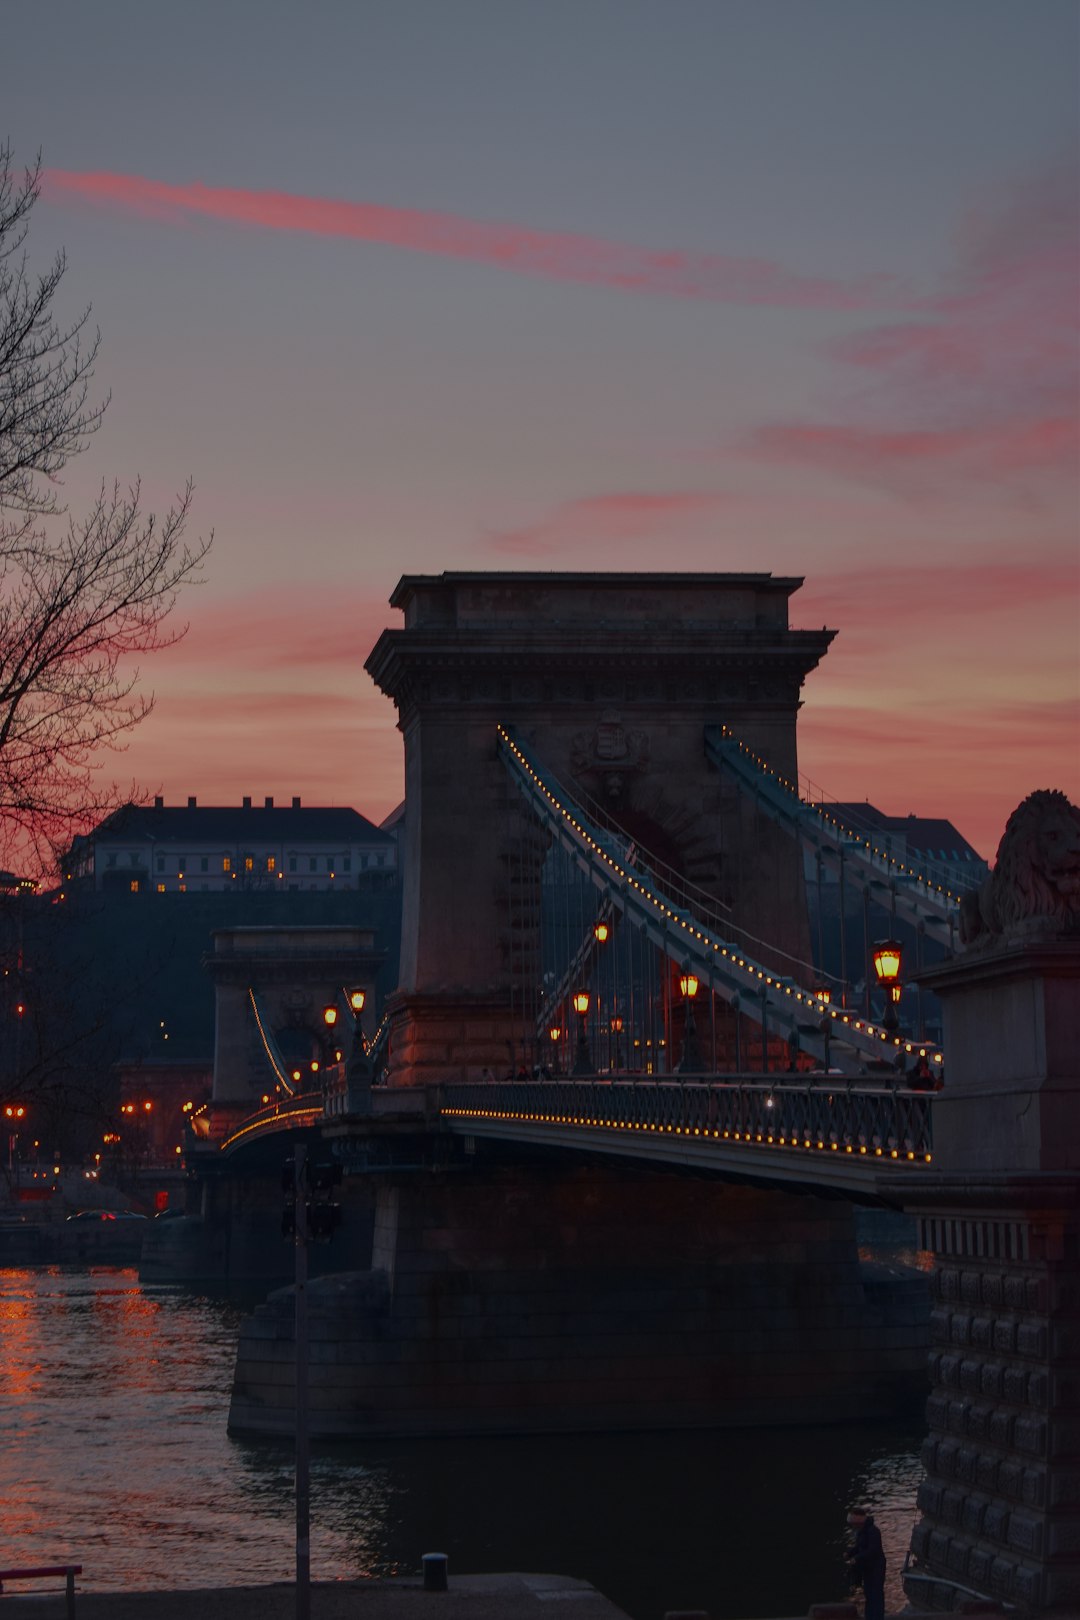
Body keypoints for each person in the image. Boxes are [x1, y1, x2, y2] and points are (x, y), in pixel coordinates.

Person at [847, 1506, 886, 1620]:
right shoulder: (862, 1532)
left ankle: (877, 1617)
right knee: (869, 1594)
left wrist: (857, 1558)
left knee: (876, 1594)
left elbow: (872, 1550)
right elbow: (859, 1546)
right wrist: (850, 1553)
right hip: (867, 1568)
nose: (853, 1526)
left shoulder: (873, 1531)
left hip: (876, 1567)